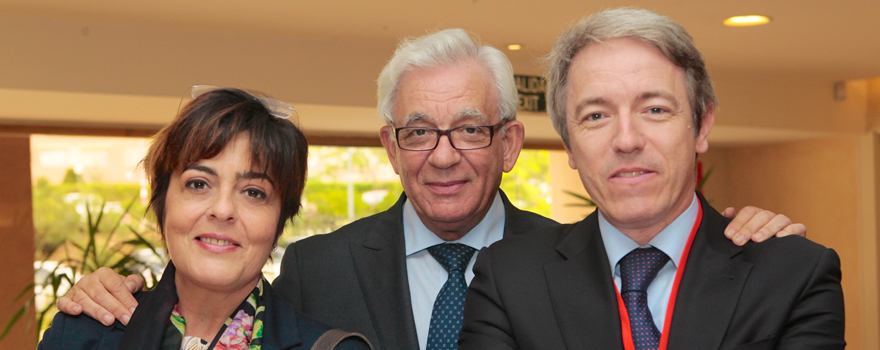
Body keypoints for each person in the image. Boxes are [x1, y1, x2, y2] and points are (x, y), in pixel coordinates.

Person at [58, 30, 806, 350]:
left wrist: (735, 237)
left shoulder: (583, 260)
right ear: (389, 147)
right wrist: (107, 290)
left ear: (511, 143)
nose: (443, 157)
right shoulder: (316, 272)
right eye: (418, 131)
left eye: (471, 130)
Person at [459, 8, 845, 350]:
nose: (626, 140)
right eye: (595, 116)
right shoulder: (509, 281)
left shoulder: (793, 274)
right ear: (570, 146)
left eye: (655, 109)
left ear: (702, 125)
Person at [39, 86, 370, 350]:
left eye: (254, 192)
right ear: (162, 202)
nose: (223, 209)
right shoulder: (82, 334)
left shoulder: (330, 347)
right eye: (198, 184)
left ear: (280, 220)